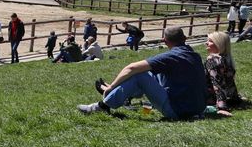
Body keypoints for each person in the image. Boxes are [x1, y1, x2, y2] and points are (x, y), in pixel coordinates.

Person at [78, 25, 207, 119]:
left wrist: (112, 86)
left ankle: (102, 106)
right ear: (185, 38)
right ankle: (122, 96)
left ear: (165, 41)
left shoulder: (171, 57)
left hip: (178, 111)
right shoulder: (194, 55)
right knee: (153, 72)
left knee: (140, 74)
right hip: (197, 109)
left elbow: (131, 68)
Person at [203, 31, 244, 113]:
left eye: (210, 41)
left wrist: (222, 107)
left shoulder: (212, 60)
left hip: (210, 99)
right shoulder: (227, 58)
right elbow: (230, 82)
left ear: (219, 44)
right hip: (228, 97)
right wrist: (235, 98)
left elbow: (216, 83)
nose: (206, 43)